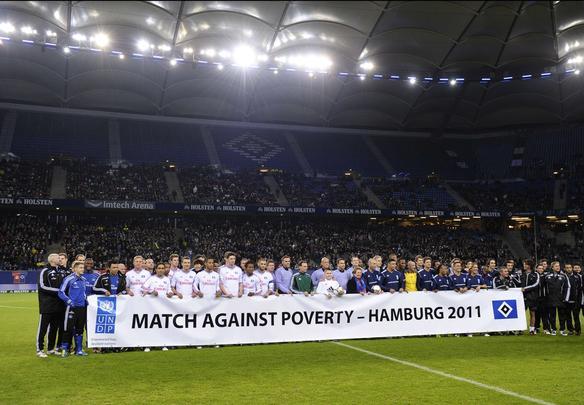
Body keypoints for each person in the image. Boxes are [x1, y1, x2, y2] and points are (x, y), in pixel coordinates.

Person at [36, 253, 65, 358]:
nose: (60, 259)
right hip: (47, 305)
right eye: (58, 257)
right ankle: (39, 349)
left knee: (54, 328)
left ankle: (50, 349)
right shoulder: (45, 271)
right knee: (43, 328)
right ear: (52, 260)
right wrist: (59, 291)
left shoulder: (60, 271)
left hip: (58, 305)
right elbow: (42, 286)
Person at [58, 261, 88, 357]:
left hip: (81, 308)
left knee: (80, 329)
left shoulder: (83, 279)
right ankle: (65, 349)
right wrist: (69, 301)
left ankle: (78, 349)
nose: (82, 269)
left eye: (83, 267)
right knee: (68, 328)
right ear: (74, 269)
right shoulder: (69, 279)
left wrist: (85, 300)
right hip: (71, 308)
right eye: (80, 267)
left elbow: (83, 293)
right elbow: (61, 292)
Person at [545, 261, 570, 336]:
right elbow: (544, 288)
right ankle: (553, 329)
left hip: (561, 299)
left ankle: (562, 330)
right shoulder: (547, 276)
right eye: (556, 266)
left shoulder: (564, 276)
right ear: (552, 267)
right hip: (550, 299)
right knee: (552, 315)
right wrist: (546, 297)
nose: (558, 267)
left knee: (562, 315)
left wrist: (566, 298)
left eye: (558, 266)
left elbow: (568, 287)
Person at [519, 259, 540, 335]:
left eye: (525, 264)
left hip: (532, 297)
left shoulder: (536, 274)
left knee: (532, 313)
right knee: (521, 313)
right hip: (522, 297)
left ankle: (532, 329)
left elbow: (536, 284)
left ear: (529, 265)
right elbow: (519, 283)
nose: (524, 266)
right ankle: (521, 329)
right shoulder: (522, 274)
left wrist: (526, 288)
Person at [564, 264, 581, 336]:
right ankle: (570, 330)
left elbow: (580, 289)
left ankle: (578, 330)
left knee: (576, 316)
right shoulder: (563, 276)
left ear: (572, 268)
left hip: (575, 300)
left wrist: (578, 300)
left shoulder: (577, 276)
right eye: (567, 268)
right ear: (565, 269)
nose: (568, 269)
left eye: (570, 268)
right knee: (568, 317)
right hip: (566, 300)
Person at [534, 264, 551, 334]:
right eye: (539, 268)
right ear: (536, 269)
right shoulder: (534, 276)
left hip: (544, 298)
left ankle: (546, 328)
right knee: (536, 314)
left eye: (542, 268)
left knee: (544, 314)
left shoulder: (546, 277)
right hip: (536, 298)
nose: (540, 269)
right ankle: (536, 327)